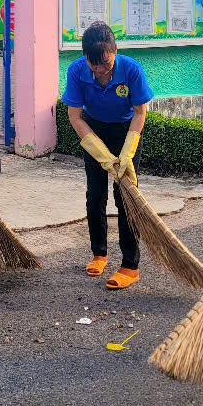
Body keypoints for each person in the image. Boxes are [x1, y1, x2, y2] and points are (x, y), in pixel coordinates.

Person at [62, 23, 153, 290]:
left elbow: (140, 113)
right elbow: (75, 117)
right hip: (93, 132)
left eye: (106, 63)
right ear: (85, 57)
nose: (101, 70)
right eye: (94, 64)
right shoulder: (76, 71)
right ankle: (99, 254)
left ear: (115, 51)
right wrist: (100, 152)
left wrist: (127, 152)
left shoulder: (132, 70)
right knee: (95, 195)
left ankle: (130, 265)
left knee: (126, 196)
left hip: (126, 132)